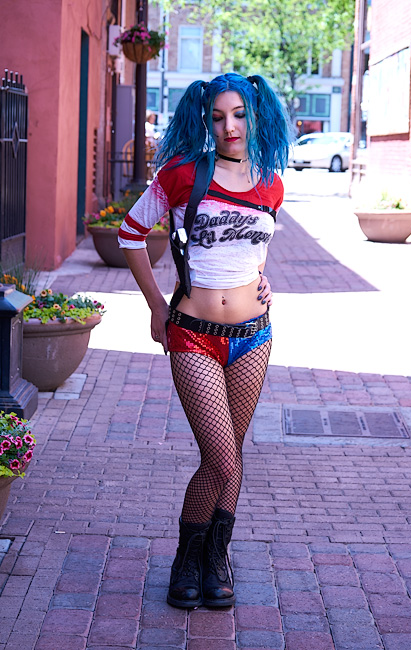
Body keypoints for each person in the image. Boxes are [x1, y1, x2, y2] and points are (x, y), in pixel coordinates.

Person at [118, 72, 292, 609]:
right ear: (205, 120)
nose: (229, 127)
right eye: (218, 117)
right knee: (221, 456)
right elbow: (130, 234)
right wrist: (156, 306)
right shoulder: (181, 174)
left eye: (239, 115)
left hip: (253, 336)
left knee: (229, 454)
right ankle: (187, 557)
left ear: (256, 117)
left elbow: (254, 249)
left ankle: (212, 559)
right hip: (194, 334)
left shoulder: (270, 181)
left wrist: (262, 278)